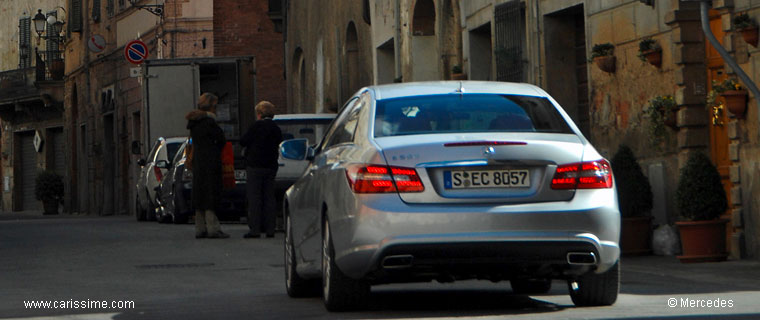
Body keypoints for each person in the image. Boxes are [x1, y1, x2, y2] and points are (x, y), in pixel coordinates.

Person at [185, 92, 229, 239]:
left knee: (199, 193)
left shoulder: (194, 123)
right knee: (211, 193)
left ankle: (200, 228)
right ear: (211, 106)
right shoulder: (210, 122)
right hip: (211, 161)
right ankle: (213, 228)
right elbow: (221, 139)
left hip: (198, 161)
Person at [240, 101, 283, 238]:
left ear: (259, 114)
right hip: (270, 165)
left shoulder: (256, 126)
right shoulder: (276, 128)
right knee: (269, 197)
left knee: (254, 198)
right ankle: (270, 228)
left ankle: (255, 229)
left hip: (255, 165)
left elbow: (243, 141)